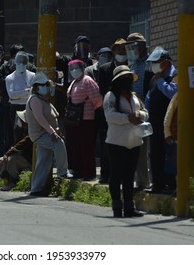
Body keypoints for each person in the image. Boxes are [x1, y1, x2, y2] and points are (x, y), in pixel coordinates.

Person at [103, 65, 147, 217]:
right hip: (116, 142)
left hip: (134, 142)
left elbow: (145, 113)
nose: (127, 80)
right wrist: (127, 118)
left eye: (128, 77)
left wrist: (139, 115)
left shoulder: (134, 96)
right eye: (123, 78)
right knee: (116, 175)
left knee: (129, 176)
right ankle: (117, 207)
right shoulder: (110, 96)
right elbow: (109, 116)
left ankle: (129, 207)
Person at [26, 72, 72, 197]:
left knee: (43, 161)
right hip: (40, 134)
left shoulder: (42, 98)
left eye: (47, 84)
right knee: (59, 144)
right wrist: (52, 132)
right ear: (36, 87)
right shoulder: (35, 99)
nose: (46, 87)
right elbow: (40, 119)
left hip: (46, 132)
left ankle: (36, 188)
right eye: (43, 85)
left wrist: (54, 130)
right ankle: (63, 172)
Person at [145, 46, 178, 194]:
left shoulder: (175, 75)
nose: (153, 65)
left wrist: (161, 82)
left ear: (165, 62)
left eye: (156, 62)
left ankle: (171, 184)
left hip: (169, 124)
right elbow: (149, 97)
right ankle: (157, 183)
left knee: (169, 155)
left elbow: (173, 94)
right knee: (155, 154)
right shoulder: (154, 77)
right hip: (154, 123)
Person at [97, 38, 128, 183]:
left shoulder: (130, 67)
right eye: (118, 49)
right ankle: (105, 175)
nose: (121, 51)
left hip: (126, 111)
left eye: (124, 48)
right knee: (107, 144)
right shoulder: (105, 69)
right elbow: (102, 90)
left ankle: (122, 174)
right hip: (109, 110)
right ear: (113, 51)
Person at [65, 59, 102, 180]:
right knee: (75, 146)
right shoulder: (74, 82)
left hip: (86, 119)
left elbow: (97, 100)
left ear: (82, 68)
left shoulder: (87, 81)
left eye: (76, 68)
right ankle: (78, 171)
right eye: (72, 69)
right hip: (74, 120)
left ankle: (89, 173)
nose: (74, 71)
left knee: (86, 146)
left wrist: (89, 111)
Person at [125, 32, 153, 190]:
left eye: (132, 46)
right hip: (135, 112)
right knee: (138, 149)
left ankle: (151, 180)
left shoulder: (149, 63)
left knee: (150, 150)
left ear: (141, 46)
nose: (130, 50)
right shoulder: (132, 65)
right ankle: (142, 180)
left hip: (148, 111)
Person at [0, 110, 32, 191]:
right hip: (20, 157)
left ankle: (12, 181)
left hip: (28, 160)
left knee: (11, 160)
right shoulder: (22, 131)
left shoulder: (32, 132)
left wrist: (7, 154)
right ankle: (1, 179)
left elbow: (20, 145)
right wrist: (6, 155)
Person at [5, 51, 35, 143]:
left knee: (30, 133)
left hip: (29, 106)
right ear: (15, 62)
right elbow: (11, 95)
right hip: (16, 108)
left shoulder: (33, 76)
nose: (21, 64)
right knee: (17, 134)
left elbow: (34, 93)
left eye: (24, 62)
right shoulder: (10, 77)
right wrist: (27, 91)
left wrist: (18, 94)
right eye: (19, 62)